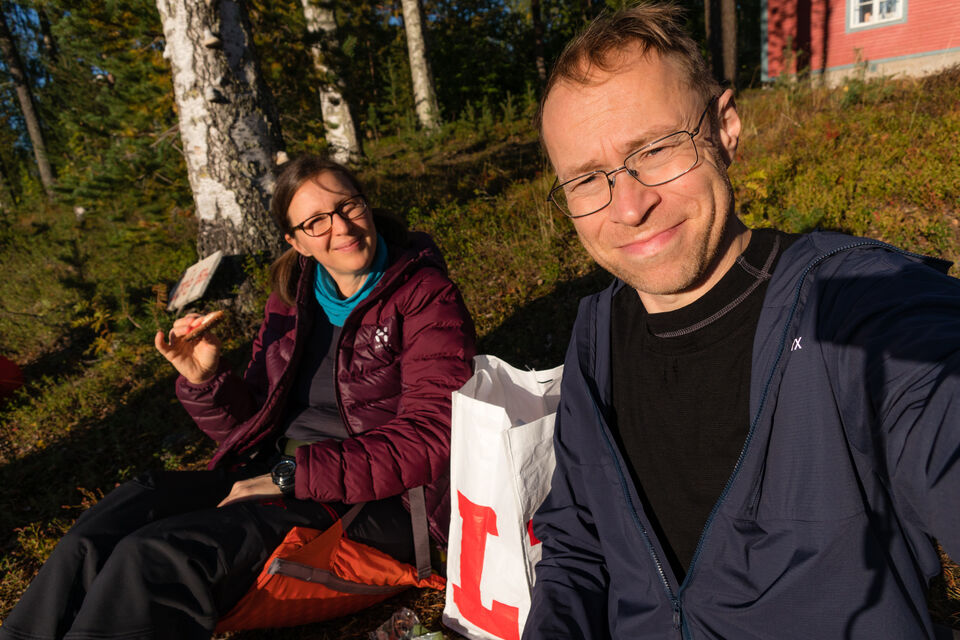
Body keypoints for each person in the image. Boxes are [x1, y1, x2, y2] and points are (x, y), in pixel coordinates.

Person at [524, 4, 960, 639]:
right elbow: (577, 545)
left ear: (725, 127)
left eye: (656, 148)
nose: (629, 207)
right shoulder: (595, 336)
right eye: (587, 179)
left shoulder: (851, 303)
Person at [0, 155, 477, 639]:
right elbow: (252, 425)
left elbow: (430, 437)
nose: (341, 227)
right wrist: (207, 381)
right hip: (283, 474)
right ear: (296, 242)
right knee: (121, 514)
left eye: (348, 206)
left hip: (385, 505)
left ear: (367, 205)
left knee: (157, 556)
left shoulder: (424, 295)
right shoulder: (293, 299)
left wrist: (290, 475)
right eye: (316, 221)